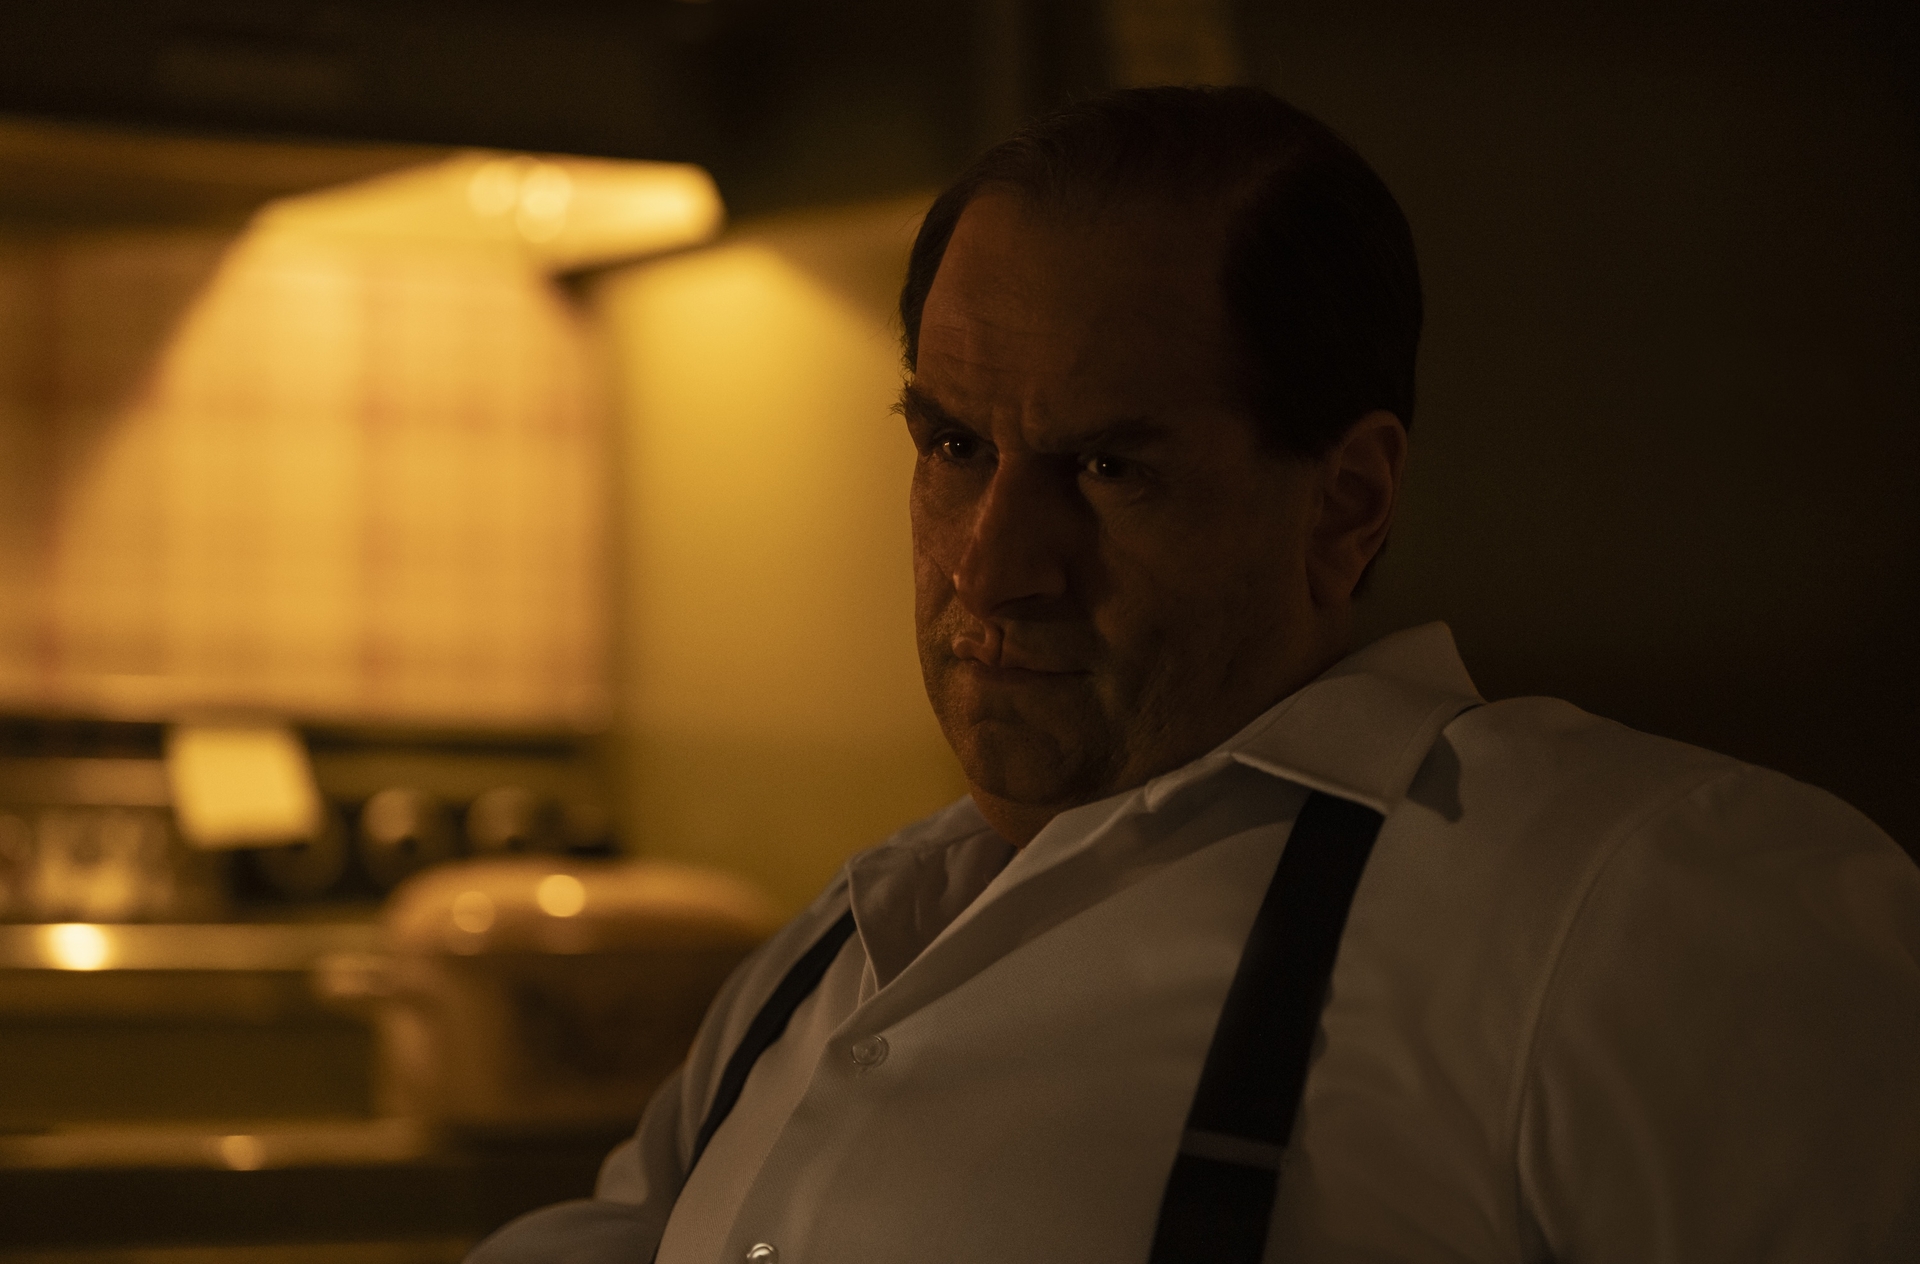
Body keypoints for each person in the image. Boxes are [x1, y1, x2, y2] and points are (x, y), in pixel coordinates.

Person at [471, 86, 1920, 1263]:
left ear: (1347, 503)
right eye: (954, 446)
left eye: (1110, 469)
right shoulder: (828, 955)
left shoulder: (1633, 908)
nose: (991, 565)